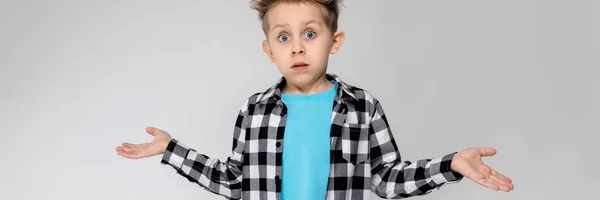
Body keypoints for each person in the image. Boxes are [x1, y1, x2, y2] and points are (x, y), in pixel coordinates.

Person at [115, 1, 514, 199]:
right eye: (283, 37)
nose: (296, 48)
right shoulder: (254, 110)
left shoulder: (362, 107)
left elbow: (386, 178)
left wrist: (451, 165)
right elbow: (235, 181)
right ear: (269, 49)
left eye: (309, 33)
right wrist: (171, 149)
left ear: (333, 41)